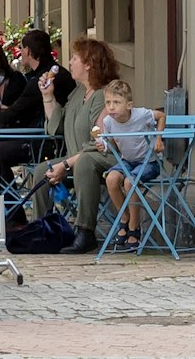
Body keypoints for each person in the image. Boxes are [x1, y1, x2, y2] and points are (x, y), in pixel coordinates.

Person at [55, 38, 127, 251]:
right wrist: (47, 97)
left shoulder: (107, 94)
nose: (69, 63)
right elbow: (56, 128)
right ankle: (47, 231)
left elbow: (100, 141)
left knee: (85, 162)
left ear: (89, 63)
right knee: (43, 170)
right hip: (81, 155)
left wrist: (66, 164)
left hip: (109, 155)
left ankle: (85, 232)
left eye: (74, 58)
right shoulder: (78, 93)